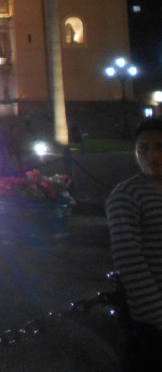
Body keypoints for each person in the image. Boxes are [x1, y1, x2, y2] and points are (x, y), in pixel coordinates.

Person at [105, 117, 162, 370]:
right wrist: (157, 317)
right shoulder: (127, 195)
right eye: (143, 148)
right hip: (151, 320)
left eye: (160, 147)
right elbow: (130, 260)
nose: (152, 155)